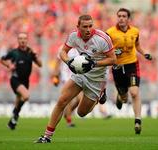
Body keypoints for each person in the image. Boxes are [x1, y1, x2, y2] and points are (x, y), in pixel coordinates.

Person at [35, 14, 116, 143]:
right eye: (85, 27)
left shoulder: (102, 38)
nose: (88, 29)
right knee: (62, 101)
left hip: (97, 79)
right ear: (78, 27)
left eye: (90, 26)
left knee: (81, 113)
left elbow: (113, 59)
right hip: (80, 74)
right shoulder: (73, 36)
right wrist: (68, 62)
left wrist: (94, 63)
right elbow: (62, 52)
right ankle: (46, 136)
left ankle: (100, 95)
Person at [106, 8, 152, 134]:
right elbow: (104, 49)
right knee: (125, 98)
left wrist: (144, 53)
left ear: (128, 19)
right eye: (119, 16)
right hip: (117, 67)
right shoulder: (110, 32)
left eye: (124, 16)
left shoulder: (135, 31)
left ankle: (138, 120)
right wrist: (114, 52)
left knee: (134, 92)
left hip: (132, 65)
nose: (121, 18)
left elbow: (137, 46)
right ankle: (120, 97)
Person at [0, 32, 42, 130]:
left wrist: (35, 56)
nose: (22, 40)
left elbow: (40, 65)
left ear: (27, 40)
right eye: (20, 38)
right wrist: (9, 65)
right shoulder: (14, 52)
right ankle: (15, 113)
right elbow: (2, 59)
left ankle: (12, 122)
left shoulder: (30, 53)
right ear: (18, 40)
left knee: (19, 100)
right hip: (15, 79)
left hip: (25, 81)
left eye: (24, 38)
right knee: (26, 96)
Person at [52, 46, 81, 127]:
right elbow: (58, 62)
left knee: (79, 99)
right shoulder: (63, 48)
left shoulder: (81, 47)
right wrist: (55, 75)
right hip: (66, 77)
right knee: (66, 99)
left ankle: (68, 113)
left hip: (78, 77)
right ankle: (69, 120)